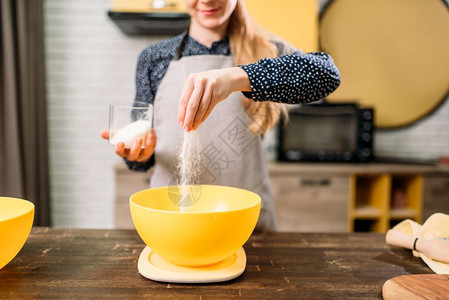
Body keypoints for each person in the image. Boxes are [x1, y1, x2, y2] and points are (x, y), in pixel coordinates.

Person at [101, 0, 341, 231]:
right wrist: (139, 154)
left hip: (245, 224)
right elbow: (139, 150)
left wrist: (237, 77)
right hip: (175, 220)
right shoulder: (154, 58)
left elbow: (327, 74)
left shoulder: (266, 50)